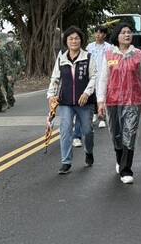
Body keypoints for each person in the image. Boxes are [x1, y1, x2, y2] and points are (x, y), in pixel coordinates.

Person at [97, 23, 141, 184]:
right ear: (117, 36)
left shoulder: (138, 54)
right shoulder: (109, 55)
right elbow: (103, 79)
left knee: (130, 133)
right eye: (123, 32)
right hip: (112, 101)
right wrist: (100, 101)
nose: (127, 35)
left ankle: (126, 169)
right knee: (116, 134)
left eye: (129, 32)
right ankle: (120, 159)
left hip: (133, 100)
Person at [46, 26, 97, 175]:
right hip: (66, 101)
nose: (74, 41)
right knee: (65, 130)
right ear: (66, 41)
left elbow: (94, 77)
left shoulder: (88, 57)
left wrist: (87, 93)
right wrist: (51, 95)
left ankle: (89, 151)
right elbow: (55, 78)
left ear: (81, 40)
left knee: (87, 131)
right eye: (71, 39)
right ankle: (66, 162)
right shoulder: (61, 58)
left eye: (76, 38)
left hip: (85, 102)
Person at [86, 26, 113, 129]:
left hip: (104, 75)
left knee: (102, 96)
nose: (98, 35)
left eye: (100, 33)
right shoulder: (89, 47)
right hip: (92, 75)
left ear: (104, 35)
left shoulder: (109, 47)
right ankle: (94, 113)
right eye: (96, 32)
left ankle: (102, 118)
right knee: (92, 96)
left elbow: (112, 62)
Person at [3, 33, 26, 108]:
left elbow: (21, 58)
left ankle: (9, 102)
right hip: (5, 70)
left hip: (14, 69)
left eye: (10, 36)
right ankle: (11, 99)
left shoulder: (17, 47)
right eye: (8, 36)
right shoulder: (3, 47)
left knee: (10, 85)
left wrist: (23, 69)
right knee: (6, 86)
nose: (9, 37)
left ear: (13, 37)